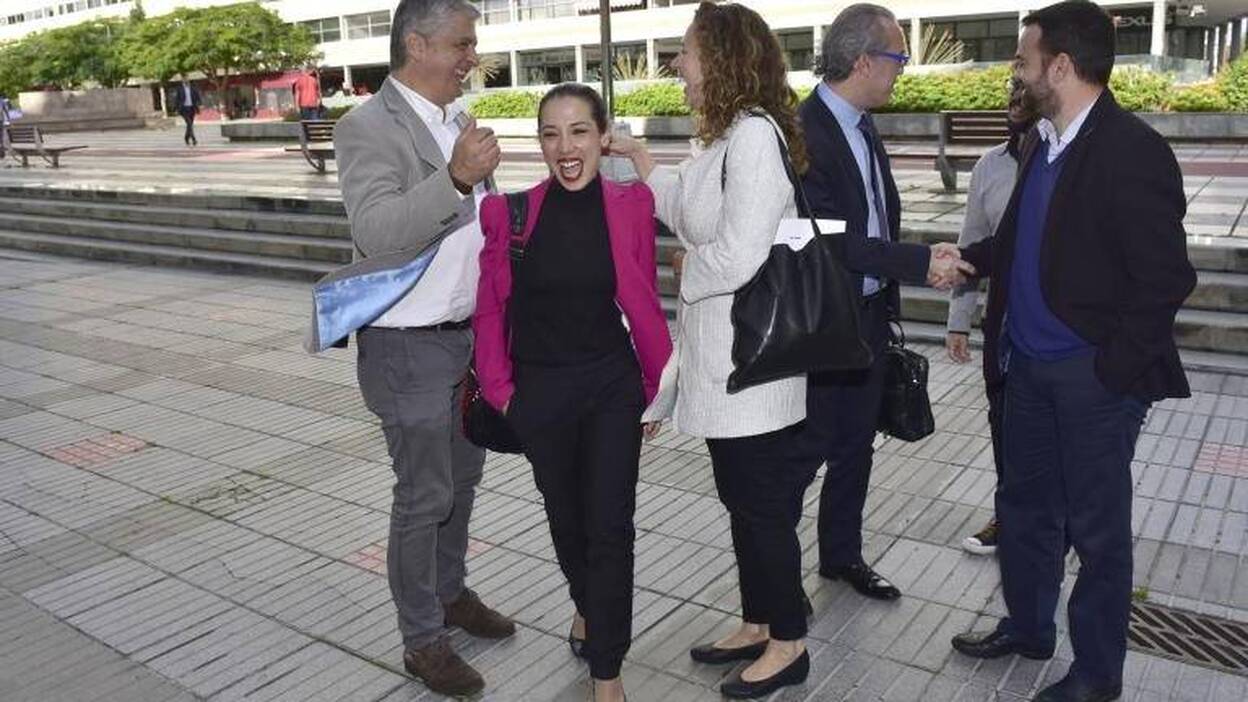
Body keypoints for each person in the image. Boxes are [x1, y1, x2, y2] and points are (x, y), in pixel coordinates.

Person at [950, 4, 1196, 701]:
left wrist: (1111, 371)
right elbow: (1021, 240)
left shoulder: (1133, 151)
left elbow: (1165, 280)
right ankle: (1029, 627)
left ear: (1060, 67)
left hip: (1093, 378)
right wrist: (964, 260)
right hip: (1027, 369)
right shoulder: (1040, 143)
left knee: (1097, 532)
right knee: (1025, 509)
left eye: (1023, 61)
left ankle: (1096, 673)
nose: (1016, 74)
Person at [610, 3, 815, 698]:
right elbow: (688, 210)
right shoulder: (727, 137)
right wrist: (642, 160)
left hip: (753, 368)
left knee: (762, 507)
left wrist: (685, 269)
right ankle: (759, 621)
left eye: (688, 51)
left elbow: (740, 253)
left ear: (722, 58)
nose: (679, 64)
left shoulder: (754, 136)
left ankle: (789, 642)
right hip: (727, 368)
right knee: (742, 500)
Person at [331, 1, 514, 697]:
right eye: (461, 43)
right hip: (407, 346)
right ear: (417, 43)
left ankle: (450, 593)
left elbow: (481, 230)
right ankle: (422, 640)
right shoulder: (366, 127)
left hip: (466, 338)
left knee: (461, 483)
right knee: (423, 495)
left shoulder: (458, 119)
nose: (472, 56)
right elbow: (377, 232)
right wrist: (457, 178)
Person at [473, 83, 671, 702]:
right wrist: (504, 394)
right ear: (540, 143)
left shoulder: (632, 205)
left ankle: (606, 674)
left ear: (602, 136)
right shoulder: (509, 214)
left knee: (610, 528)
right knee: (567, 522)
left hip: (611, 386)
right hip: (541, 393)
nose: (566, 147)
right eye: (551, 134)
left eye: (580, 131)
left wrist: (656, 387)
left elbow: (644, 298)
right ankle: (587, 603)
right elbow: (489, 309)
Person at [796, 3, 972, 602]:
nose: (902, 68)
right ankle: (774, 582)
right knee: (805, 454)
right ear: (865, 61)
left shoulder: (862, 123)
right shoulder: (805, 131)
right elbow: (836, 240)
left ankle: (841, 556)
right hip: (824, 323)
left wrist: (918, 256)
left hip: (870, 316)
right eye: (898, 56)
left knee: (855, 447)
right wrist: (920, 262)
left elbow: (874, 216)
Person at [948, 81, 1038, 556]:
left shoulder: (1065, 161)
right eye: (1011, 92)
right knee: (1002, 423)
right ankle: (1008, 516)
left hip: (1054, 327)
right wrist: (958, 321)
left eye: (1025, 89)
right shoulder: (989, 167)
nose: (1015, 100)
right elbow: (973, 243)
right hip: (1002, 324)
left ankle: (1052, 524)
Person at [174, 79, 201, 146]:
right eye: (185, 82)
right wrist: (176, 109)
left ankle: (186, 138)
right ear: (183, 82)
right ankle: (194, 139)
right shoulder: (180, 89)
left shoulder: (193, 89)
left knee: (190, 125)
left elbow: (197, 97)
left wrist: (200, 104)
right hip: (183, 109)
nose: (186, 83)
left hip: (192, 108)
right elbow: (177, 99)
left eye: (187, 81)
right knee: (189, 123)